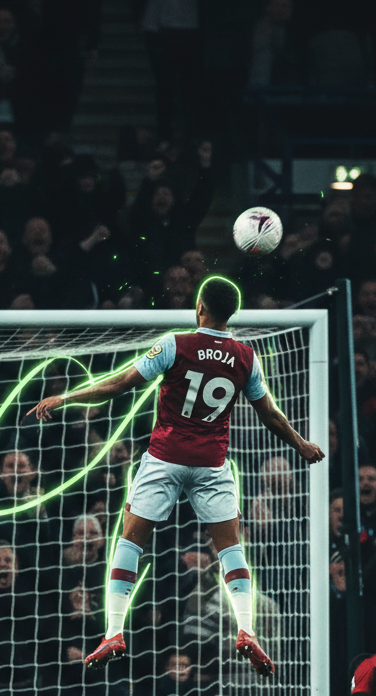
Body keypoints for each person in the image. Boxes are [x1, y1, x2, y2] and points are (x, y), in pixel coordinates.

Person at [29, 275, 324, 675]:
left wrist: (67, 396)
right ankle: (247, 629)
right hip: (211, 463)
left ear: (200, 306)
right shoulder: (246, 356)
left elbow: (120, 384)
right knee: (230, 548)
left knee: (130, 540)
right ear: (231, 313)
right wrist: (301, 444)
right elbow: (269, 413)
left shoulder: (175, 343)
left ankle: (114, 630)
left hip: (165, 458)